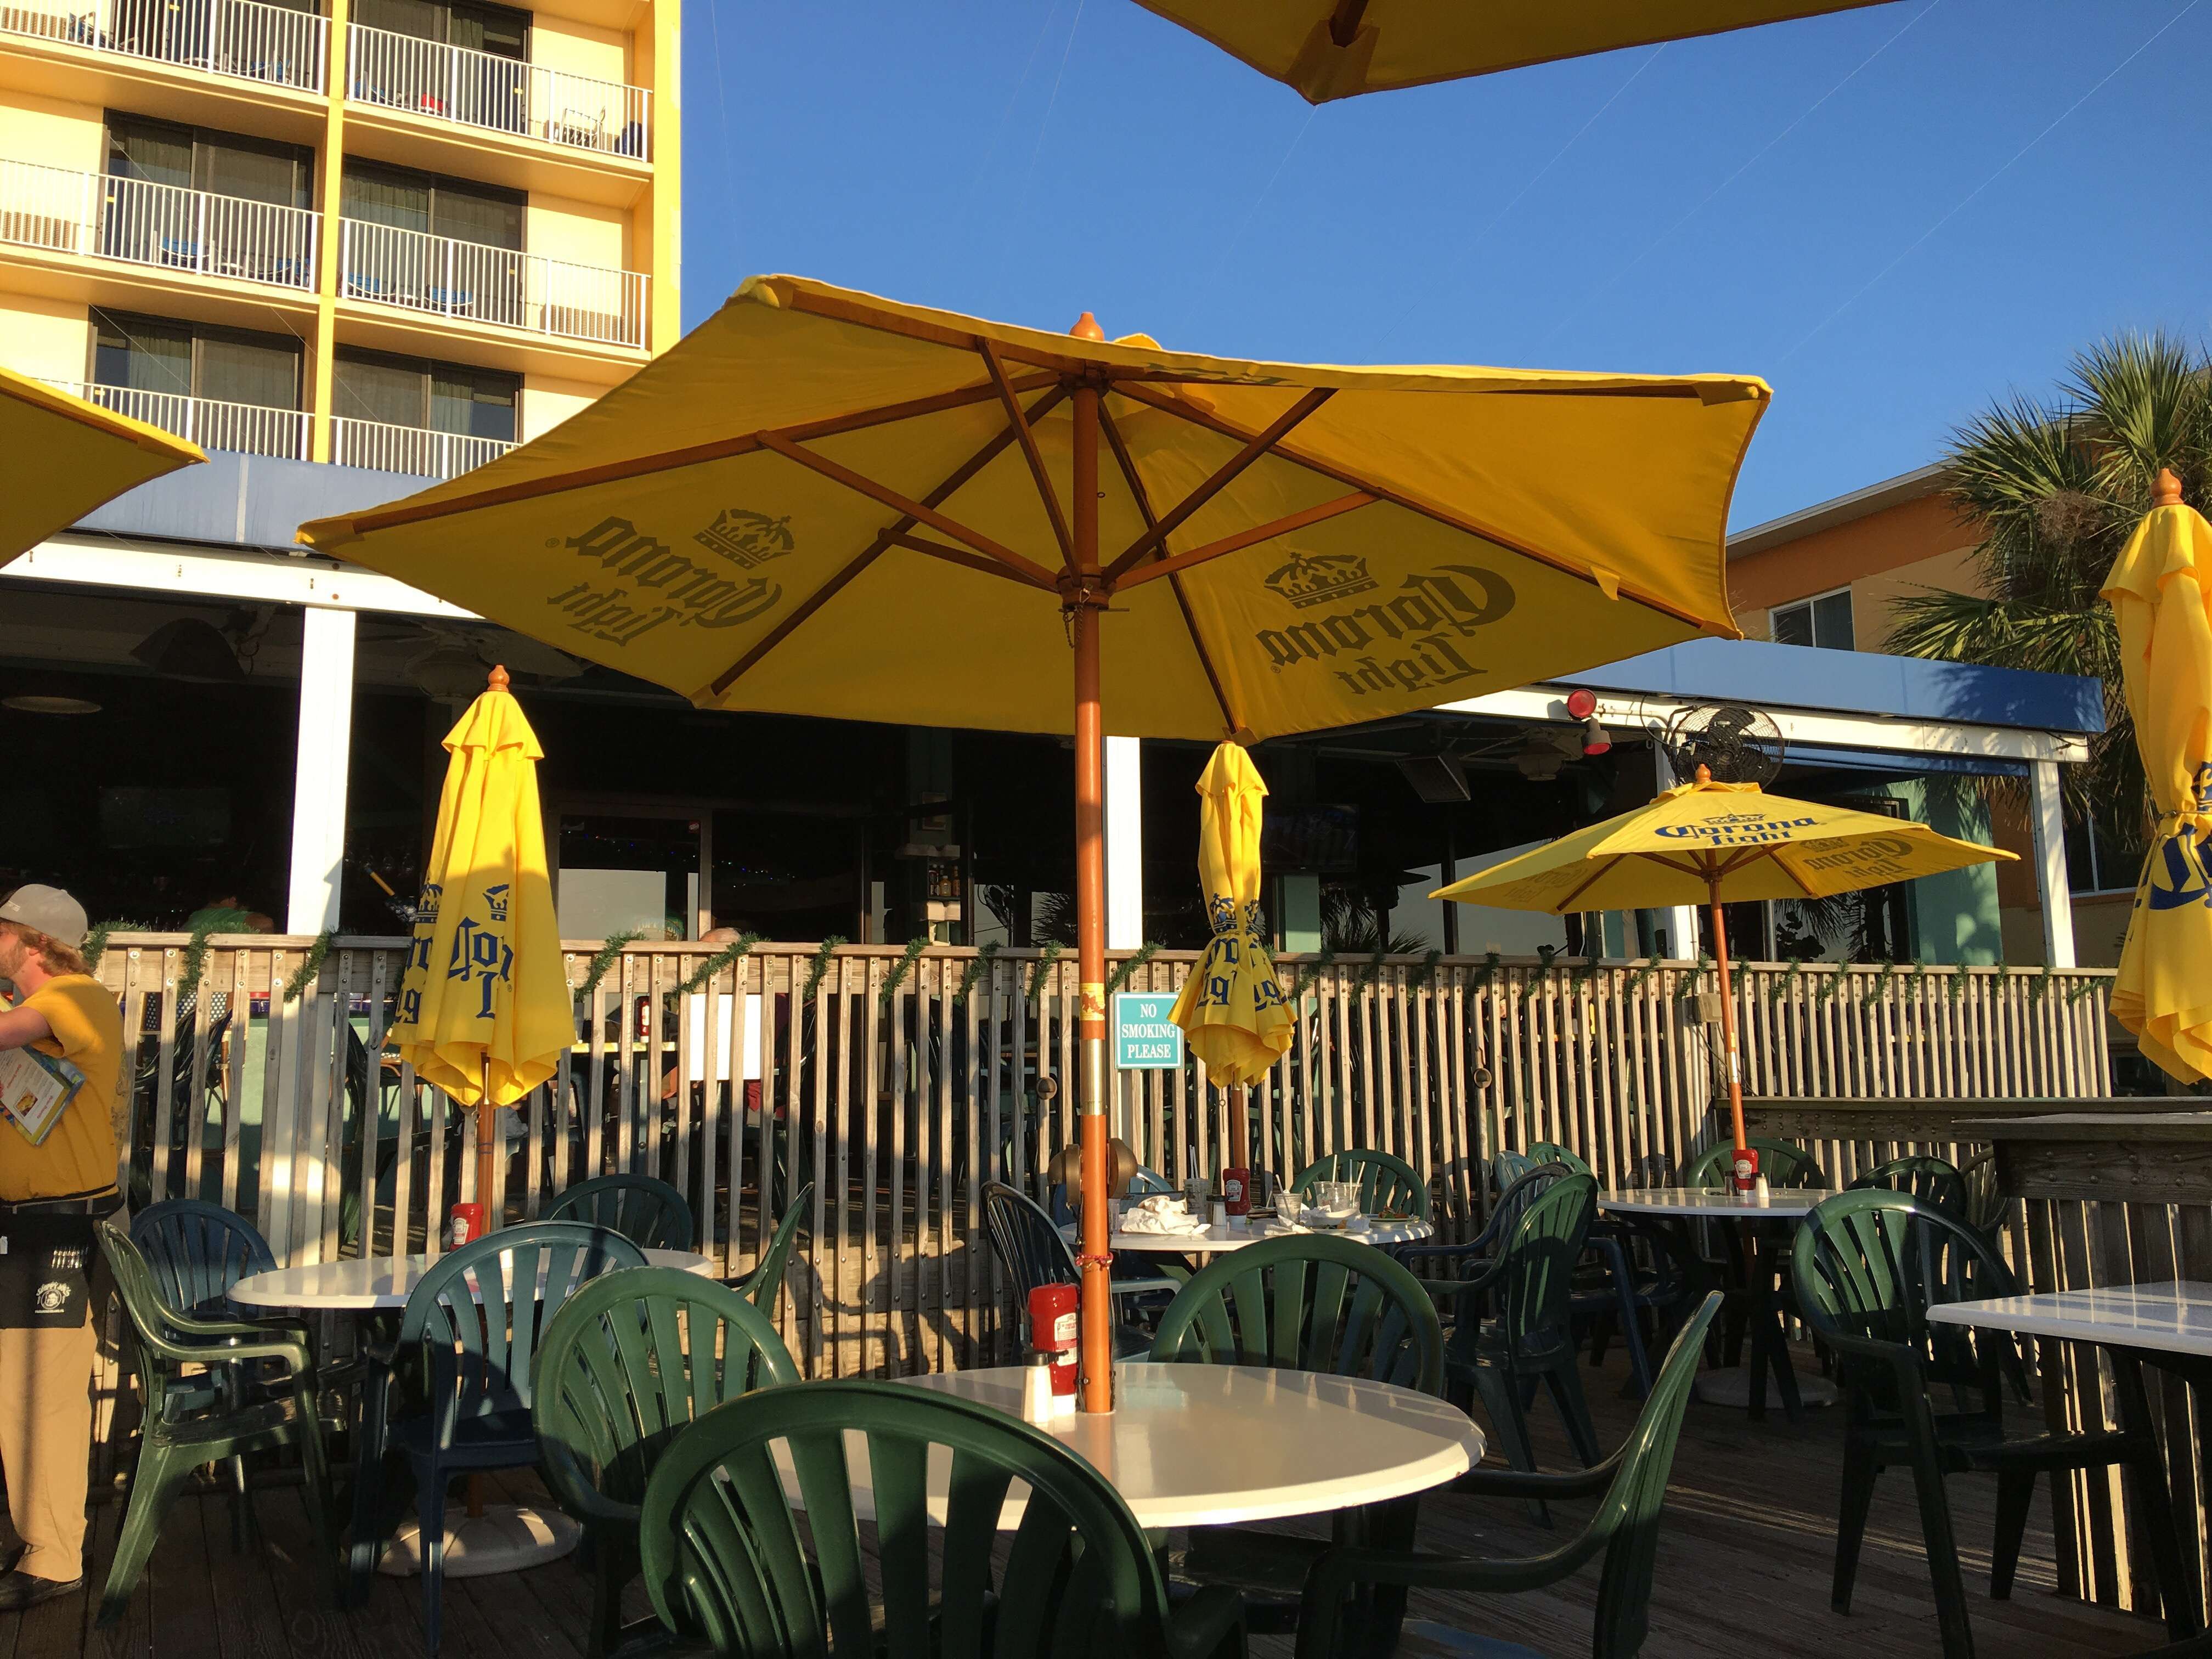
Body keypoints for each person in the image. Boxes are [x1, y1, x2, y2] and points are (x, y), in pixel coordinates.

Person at [0, 886, 122, 1610]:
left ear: (36, 942)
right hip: (22, 1221)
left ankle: (53, 1558)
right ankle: (37, 1535)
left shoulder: (80, 996)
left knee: (42, 1394)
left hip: (56, 1229)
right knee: (17, 1389)